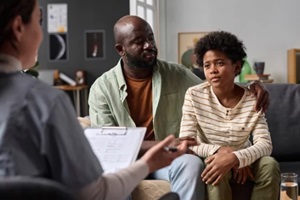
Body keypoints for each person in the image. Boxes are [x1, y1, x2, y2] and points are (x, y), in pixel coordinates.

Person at [0, 1, 189, 200]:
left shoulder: (177, 75)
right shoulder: (46, 103)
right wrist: (148, 163)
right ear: (19, 27)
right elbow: (93, 194)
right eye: (39, 22)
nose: (41, 35)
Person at [88, 15, 270, 200]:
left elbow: (216, 88)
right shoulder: (101, 89)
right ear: (121, 49)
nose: (148, 45)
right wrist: (166, 144)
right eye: (139, 42)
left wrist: (252, 87)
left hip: (170, 159)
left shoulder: (177, 74)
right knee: (111, 178)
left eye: (150, 38)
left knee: (191, 164)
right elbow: (112, 145)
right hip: (127, 162)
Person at [179, 31, 280, 200]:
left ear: (237, 67)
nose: (213, 71)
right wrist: (222, 152)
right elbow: (186, 142)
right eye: (207, 65)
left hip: (245, 157)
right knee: (215, 167)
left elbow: (265, 145)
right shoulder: (194, 95)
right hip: (213, 157)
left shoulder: (253, 98)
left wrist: (237, 158)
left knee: (270, 164)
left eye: (220, 63)